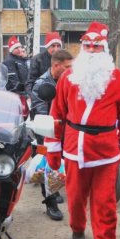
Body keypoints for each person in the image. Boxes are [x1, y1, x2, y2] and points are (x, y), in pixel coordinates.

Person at [44, 21, 120, 239]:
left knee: (105, 202)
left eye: (97, 46)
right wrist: (53, 148)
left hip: (106, 151)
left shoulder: (117, 78)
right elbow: (57, 114)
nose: (92, 50)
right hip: (75, 149)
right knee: (74, 198)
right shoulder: (68, 79)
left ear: (104, 49)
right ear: (82, 48)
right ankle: (77, 227)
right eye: (88, 46)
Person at [30, 50, 74, 221]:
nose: (71, 70)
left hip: (65, 130)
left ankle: (57, 191)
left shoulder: (69, 80)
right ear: (56, 66)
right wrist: (56, 124)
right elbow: (41, 111)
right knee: (47, 166)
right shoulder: (42, 84)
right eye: (67, 67)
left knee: (63, 165)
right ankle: (50, 203)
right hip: (47, 130)